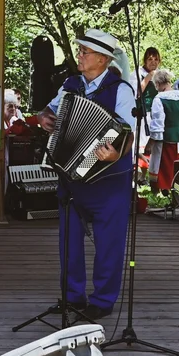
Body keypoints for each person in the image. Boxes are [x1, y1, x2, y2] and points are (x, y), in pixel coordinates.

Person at [39, 28, 136, 319]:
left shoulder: (122, 90)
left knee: (109, 243)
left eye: (85, 52)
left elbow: (128, 132)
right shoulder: (71, 85)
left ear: (104, 60)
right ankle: (73, 297)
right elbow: (49, 109)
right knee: (68, 242)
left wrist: (118, 151)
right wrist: (44, 117)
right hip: (73, 178)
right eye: (80, 50)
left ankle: (103, 301)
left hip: (109, 180)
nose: (79, 55)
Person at [147, 68, 179, 193]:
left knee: (164, 165)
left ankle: (164, 187)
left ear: (159, 84)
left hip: (165, 138)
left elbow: (158, 123)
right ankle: (177, 188)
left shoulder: (159, 99)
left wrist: (151, 141)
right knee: (176, 164)